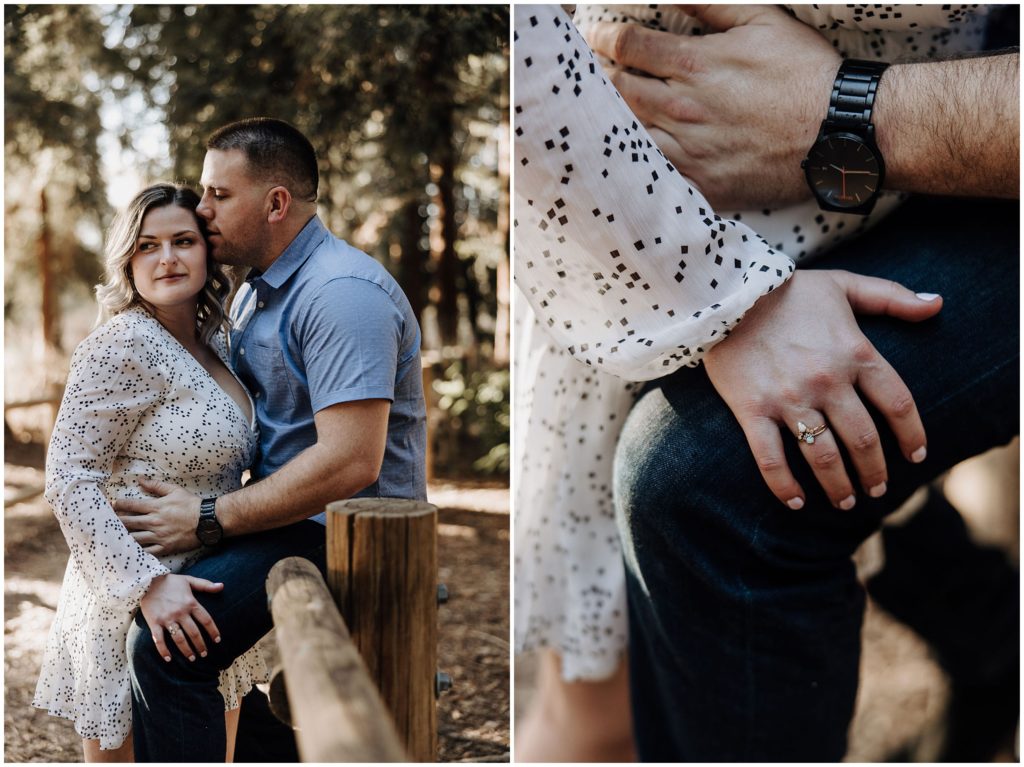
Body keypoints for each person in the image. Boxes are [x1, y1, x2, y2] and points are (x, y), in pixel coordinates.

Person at [513, 4, 1018, 761]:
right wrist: (716, 295)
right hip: (637, 231)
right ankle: (987, 634)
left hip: (940, 187)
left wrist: (843, 110)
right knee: (594, 701)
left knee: (701, 472)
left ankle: (987, 640)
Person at [112, 118, 427, 761]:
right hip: (289, 517)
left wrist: (206, 518)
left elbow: (352, 461)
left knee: (168, 647)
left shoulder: (340, 294)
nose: (202, 211)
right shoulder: (257, 291)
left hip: (347, 530)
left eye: (217, 195)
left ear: (276, 203)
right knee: (248, 695)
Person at [33, 183, 264, 762]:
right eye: (147, 245)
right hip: (134, 598)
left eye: (183, 241)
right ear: (126, 261)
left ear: (207, 251)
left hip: (211, 593)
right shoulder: (120, 345)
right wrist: (148, 586)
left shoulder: (219, 342)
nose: (167, 259)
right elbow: (69, 479)